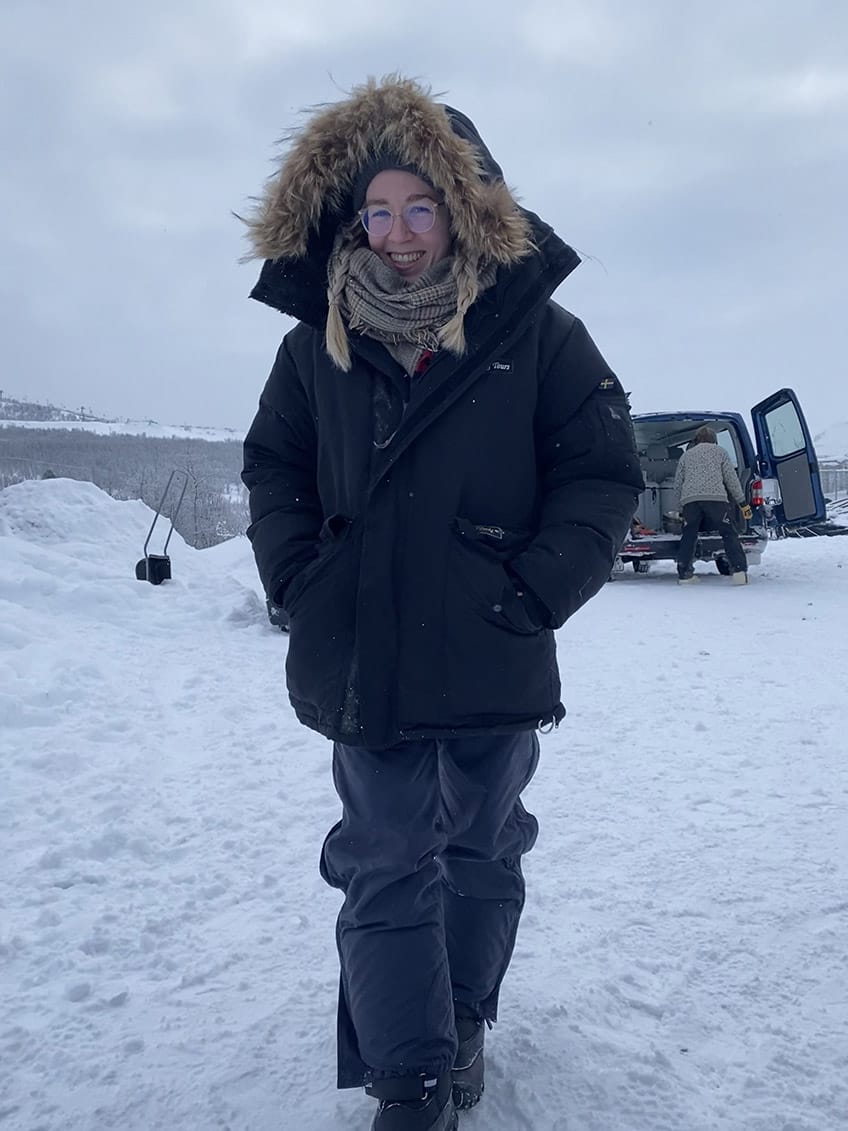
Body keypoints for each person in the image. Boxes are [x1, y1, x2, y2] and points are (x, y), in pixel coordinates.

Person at [240, 75, 643, 1131]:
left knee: (478, 849)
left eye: (420, 207)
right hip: (361, 653)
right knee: (383, 860)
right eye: (377, 210)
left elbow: (600, 475)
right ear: (349, 217)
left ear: (465, 207)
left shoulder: (543, 337)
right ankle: (409, 1082)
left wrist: (532, 589)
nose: (398, 232)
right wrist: (297, 576)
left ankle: (462, 1019)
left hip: (489, 649)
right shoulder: (314, 344)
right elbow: (273, 464)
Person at [672, 425, 752, 584]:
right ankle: (739, 573)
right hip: (716, 500)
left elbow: (678, 484)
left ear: (696, 440)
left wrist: (680, 508)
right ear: (714, 440)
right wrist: (743, 503)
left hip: (691, 501)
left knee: (689, 535)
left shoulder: (686, 456)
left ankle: (685, 574)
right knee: (729, 533)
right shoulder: (720, 452)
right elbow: (731, 479)